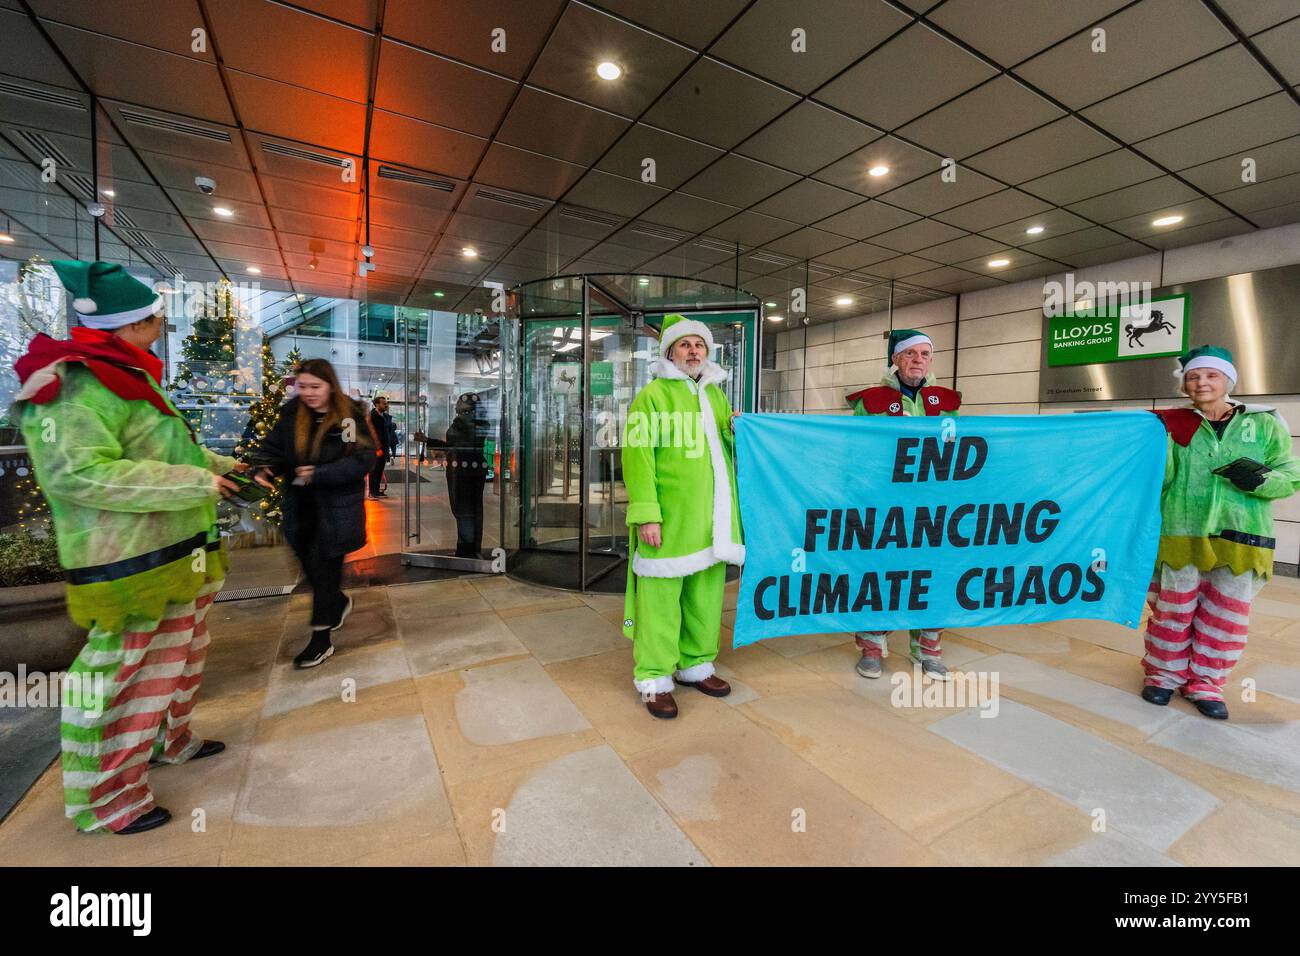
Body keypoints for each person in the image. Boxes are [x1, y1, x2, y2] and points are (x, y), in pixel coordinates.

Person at [14, 260, 243, 835]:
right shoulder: (71, 385)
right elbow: (76, 474)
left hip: (181, 552)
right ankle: (106, 797)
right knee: (118, 677)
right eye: (156, 317)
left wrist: (224, 467)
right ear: (133, 324)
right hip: (128, 564)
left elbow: (167, 452)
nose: (163, 324)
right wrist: (195, 482)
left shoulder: (128, 375)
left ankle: (170, 740)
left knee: (178, 660)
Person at [1144, 345, 1300, 719]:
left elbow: (1290, 474)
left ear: (1228, 380)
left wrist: (1261, 480)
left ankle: (1206, 682)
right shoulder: (1171, 424)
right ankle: (1163, 674)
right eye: (1193, 376)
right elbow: (1158, 479)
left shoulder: (1264, 423)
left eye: (1211, 375)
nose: (1201, 383)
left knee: (1225, 615)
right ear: (1184, 384)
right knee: (1172, 610)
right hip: (1181, 531)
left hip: (1242, 533)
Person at [621, 314, 744, 719]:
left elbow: (725, 449)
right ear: (670, 352)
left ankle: (696, 664)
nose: (693, 351)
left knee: (705, 597)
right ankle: (655, 677)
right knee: (660, 600)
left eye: (699, 345)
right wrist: (647, 515)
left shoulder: (716, 396)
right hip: (670, 519)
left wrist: (737, 430)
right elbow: (638, 459)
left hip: (712, 519)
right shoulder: (652, 396)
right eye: (685, 345)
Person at [844, 328, 961, 682]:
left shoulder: (947, 403)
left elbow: (956, 452)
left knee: (930, 574)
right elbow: (856, 452)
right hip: (885, 503)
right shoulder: (872, 401)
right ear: (896, 358)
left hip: (931, 505)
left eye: (924, 354)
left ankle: (927, 650)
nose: (917, 360)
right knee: (880, 574)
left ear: (931, 360)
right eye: (910, 354)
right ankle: (872, 647)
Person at [252, 359, 373, 668]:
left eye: (315, 386)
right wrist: (265, 467)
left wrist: (320, 474)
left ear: (330, 385)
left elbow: (362, 460)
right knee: (311, 568)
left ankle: (321, 640)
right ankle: (338, 601)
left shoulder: (347, 418)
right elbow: (274, 449)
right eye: (302, 386)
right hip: (300, 506)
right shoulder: (292, 414)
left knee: (324, 569)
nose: (308, 393)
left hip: (336, 509)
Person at [414, 392, 490, 559]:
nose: (456, 404)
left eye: (460, 401)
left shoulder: (463, 422)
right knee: (471, 509)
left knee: (463, 510)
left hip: (463, 469)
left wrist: (428, 440)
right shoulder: (480, 422)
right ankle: (468, 549)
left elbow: (455, 446)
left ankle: (466, 551)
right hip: (473, 468)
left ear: (468, 406)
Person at [366, 396, 395, 499]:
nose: (386, 405)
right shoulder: (371, 416)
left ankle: (377, 491)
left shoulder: (386, 417)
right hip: (374, 447)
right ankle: (371, 492)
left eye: (386, 403)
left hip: (384, 447)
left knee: (380, 470)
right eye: (383, 403)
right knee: (374, 470)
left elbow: (389, 431)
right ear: (377, 404)